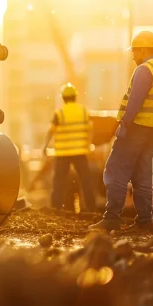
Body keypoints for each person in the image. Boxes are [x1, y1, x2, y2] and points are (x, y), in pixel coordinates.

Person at [89, 30, 153, 232]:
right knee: (142, 174)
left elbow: (135, 101)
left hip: (137, 126)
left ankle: (112, 218)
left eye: (135, 51)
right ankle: (145, 221)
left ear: (144, 49)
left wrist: (124, 125)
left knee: (116, 168)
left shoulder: (145, 69)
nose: (133, 55)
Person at [43, 83, 96, 213]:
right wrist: (88, 144)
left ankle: (56, 209)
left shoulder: (59, 113)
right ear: (75, 97)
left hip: (62, 153)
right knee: (86, 181)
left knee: (59, 183)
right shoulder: (83, 111)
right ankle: (91, 209)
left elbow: (50, 131)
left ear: (63, 98)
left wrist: (44, 147)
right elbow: (91, 129)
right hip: (80, 151)